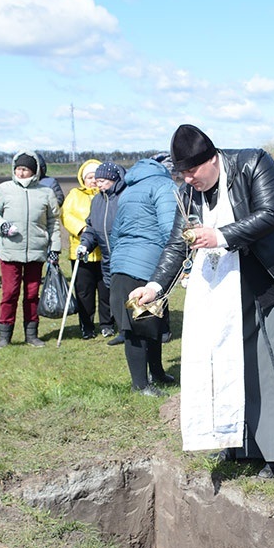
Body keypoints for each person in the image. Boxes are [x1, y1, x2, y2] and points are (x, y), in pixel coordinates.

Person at [129, 125, 274, 479]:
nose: (188, 180)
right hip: (232, 286)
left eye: (193, 171)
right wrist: (155, 286)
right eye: (182, 174)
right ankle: (242, 441)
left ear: (213, 159)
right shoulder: (187, 193)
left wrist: (218, 235)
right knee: (236, 362)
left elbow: (271, 214)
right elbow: (178, 242)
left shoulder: (254, 163)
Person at [108, 157, 178, 396]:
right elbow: (172, 228)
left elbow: (115, 230)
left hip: (122, 262)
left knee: (152, 320)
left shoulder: (130, 188)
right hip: (147, 264)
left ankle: (157, 372)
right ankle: (140, 385)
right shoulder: (164, 186)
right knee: (137, 326)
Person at [0, 151, 61, 349]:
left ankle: (32, 334)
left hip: (36, 252)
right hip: (10, 252)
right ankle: (5, 335)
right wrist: (2, 225)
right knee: (9, 293)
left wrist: (55, 248)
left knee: (31, 294)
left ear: (34, 171)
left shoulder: (46, 193)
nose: (20, 172)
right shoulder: (4, 189)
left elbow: (53, 223)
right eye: (18, 168)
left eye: (25, 169)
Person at [61, 159, 112, 340]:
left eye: (96, 177)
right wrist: (83, 230)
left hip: (104, 253)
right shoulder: (75, 194)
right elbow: (66, 215)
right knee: (84, 292)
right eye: (89, 177)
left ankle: (107, 324)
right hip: (81, 252)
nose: (93, 180)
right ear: (83, 179)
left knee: (105, 290)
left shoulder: (107, 195)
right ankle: (87, 326)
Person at [79, 161, 128, 345]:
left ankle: (156, 330)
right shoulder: (97, 200)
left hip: (126, 254)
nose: (98, 184)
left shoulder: (125, 196)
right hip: (107, 257)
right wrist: (85, 244)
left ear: (113, 179)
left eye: (102, 180)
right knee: (115, 296)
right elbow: (92, 227)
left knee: (132, 294)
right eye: (97, 181)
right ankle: (123, 331)